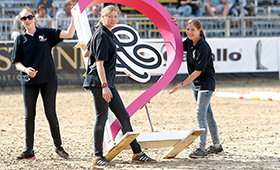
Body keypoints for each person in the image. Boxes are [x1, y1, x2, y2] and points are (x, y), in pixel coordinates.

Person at [83, 5, 157, 166]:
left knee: (123, 116)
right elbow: (100, 64)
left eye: (115, 17)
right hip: (101, 83)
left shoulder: (104, 33)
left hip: (107, 83)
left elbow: (86, 53)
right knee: (101, 118)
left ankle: (137, 152)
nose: (113, 19)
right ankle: (97, 156)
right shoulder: (102, 35)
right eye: (110, 16)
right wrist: (104, 86)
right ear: (102, 17)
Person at [11, 5, 75, 160]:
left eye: (29, 17)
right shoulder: (20, 39)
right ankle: (29, 150)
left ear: (35, 18)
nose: (27, 20)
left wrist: (74, 17)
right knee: (29, 115)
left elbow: (69, 33)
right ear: (21, 21)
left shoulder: (46, 33)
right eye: (23, 18)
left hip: (48, 80)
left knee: (50, 113)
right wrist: (26, 70)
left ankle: (59, 147)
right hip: (29, 81)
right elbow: (16, 62)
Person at [169, 19, 223, 158]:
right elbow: (176, 45)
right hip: (196, 84)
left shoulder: (203, 46)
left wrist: (181, 84)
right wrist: (172, 26)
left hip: (206, 84)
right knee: (207, 114)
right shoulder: (189, 42)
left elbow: (198, 71)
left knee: (200, 114)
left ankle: (202, 148)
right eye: (187, 29)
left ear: (199, 30)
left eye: (192, 29)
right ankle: (216, 145)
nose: (189, 32)